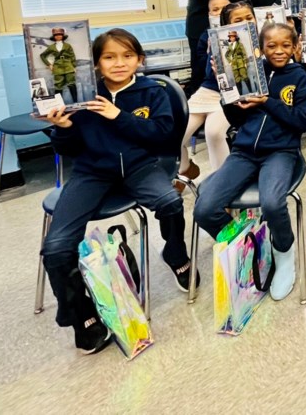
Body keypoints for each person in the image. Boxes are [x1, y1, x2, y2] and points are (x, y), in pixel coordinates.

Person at [42, 29, 195, 355]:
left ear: (140, 60)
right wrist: (64, 129)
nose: (119, 63)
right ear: (96, 63)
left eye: (127, 56)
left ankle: (176, 254)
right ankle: (81, 315)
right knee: (55, 247)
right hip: (92, 173)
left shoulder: (152, 92)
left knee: (170, 201)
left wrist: (119, 116)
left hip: (141, 166)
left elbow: (162, 136)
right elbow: (69, 149)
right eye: (109, 57)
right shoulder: (81, 95)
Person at [193, 22, 306, 301]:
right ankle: (248, 248)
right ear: (260, 48)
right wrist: (228, 92)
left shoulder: (300, 78)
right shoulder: (250, 72)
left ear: (295, 46)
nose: (279, 51)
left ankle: (283, 251)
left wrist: (267, 102)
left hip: (281, 152)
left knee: (272, 203)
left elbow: (302, 122)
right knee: (204, 209)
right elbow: (236, 119)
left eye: (286, 45)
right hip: (244, 152)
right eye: (271, 45)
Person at [176, 0, 243, 190]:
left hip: (232, 92)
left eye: (225, 7)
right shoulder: (207, 36)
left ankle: (223, 186)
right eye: (215, 9)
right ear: (209, 13)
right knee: (174, 133)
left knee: (213, 132)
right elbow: (204, 74)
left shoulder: (247, 34)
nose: (221, 11)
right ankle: (185, 167)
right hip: (208, 89)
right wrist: (210, 54)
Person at [40, 27, 78, 102]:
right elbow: (42, 55)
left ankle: (75, 101)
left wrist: (74, 66)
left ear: (63, 36)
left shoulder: (68, 46)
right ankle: (58, 103)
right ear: (54, 37)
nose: (58, 36)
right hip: (57, 68)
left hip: (68, 66)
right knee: (58, 85)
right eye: (56, 35)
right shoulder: (51, 47)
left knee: (71, 84)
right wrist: (49, 64)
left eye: (60, 35)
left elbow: (72, 56)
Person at [224, 30, 252, 95]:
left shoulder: (239, 44)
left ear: (235, 37)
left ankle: (251, 92)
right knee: (237, 79)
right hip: (234, 65)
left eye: (232, 37)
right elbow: (226, 55)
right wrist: (230, 62)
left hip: (240, 63)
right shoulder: (230, 46)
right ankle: (240, 94)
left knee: (245, 77)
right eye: (230, 37)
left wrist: (245, 62)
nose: (231, 38)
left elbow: (244, 53)